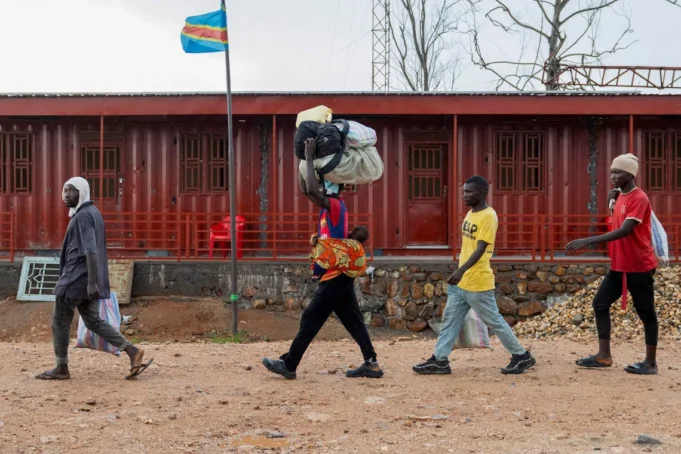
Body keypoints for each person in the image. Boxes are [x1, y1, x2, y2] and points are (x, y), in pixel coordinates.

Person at [262, 139, 383, 380]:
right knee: (353, 320)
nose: (320, 187)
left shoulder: (336, 205)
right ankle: (371, 364)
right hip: (337, 275)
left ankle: (289, 364)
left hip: (335, 276)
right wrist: (302, 160)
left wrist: (308, 157)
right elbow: (306, 189)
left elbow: (312, 190)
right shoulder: (326, 210)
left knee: (311, 318)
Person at [413, 176, 536, 376]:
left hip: (478, 282)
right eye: (464, 191)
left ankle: (521, 355)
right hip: (462, 283)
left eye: (469, 192)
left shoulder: (488, 216)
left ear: (482, 193)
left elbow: (481, 249)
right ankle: (440, 360)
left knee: (494, 321)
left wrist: (460, 270)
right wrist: (460, 271)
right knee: (449, 321)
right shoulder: (471, 214)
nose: (465, 195)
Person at [36, 177, 152, 381]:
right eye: (64, 191)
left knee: (59, 321)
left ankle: (61, 367)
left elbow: (90, 251)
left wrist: (90, 283)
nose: (66, 195)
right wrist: (92, 281)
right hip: (87, 278)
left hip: (76, 278)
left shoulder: (83, 216)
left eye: (72, 191)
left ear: (82, 192)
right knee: (93, 321)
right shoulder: (93, 212)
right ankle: (132, 351)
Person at [566, 154, 659, 375]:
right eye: (611, 172)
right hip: (619, 265)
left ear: (631, 174)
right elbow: (615, 221)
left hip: (639, 266)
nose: (613, 176)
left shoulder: (639, 198)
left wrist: (588, 240)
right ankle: (604, 356)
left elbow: (625, 230)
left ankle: (651, 363)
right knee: (600, 304)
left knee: (646, 312)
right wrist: (612, 203)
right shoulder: (619, 197)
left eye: (618, 172)